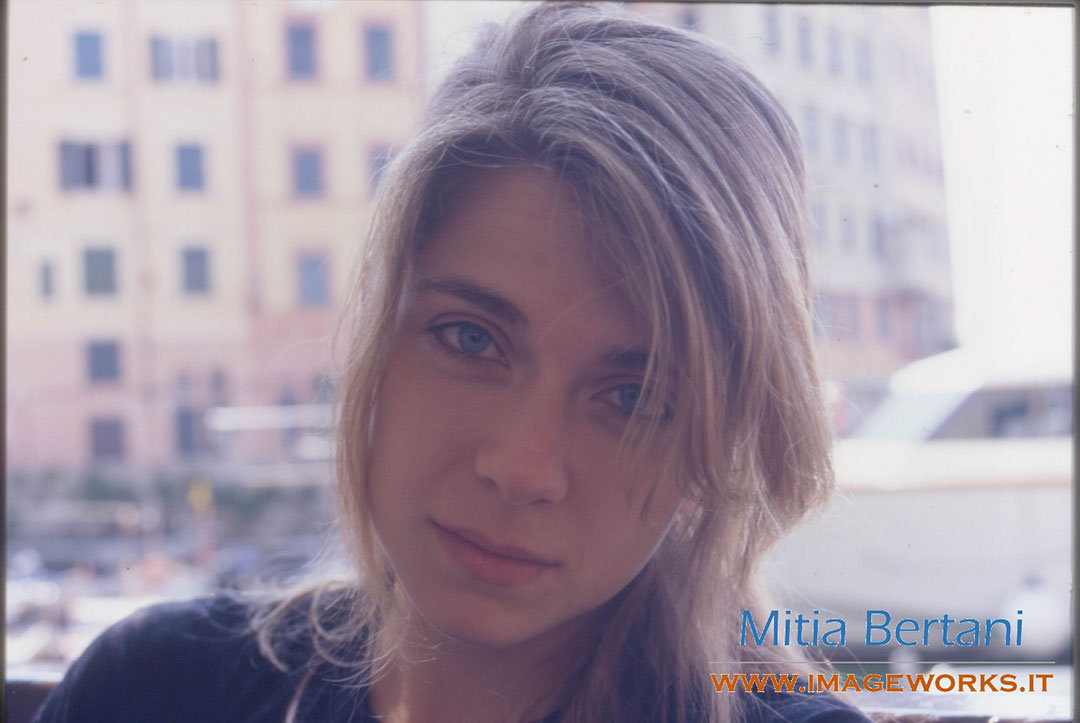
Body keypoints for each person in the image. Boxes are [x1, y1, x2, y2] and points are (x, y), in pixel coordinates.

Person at [34, 4, 870, 722]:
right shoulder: (154, 688)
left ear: (715, 444)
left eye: (635, 395)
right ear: (377, 326)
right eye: (471, 338)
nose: (520, 467)